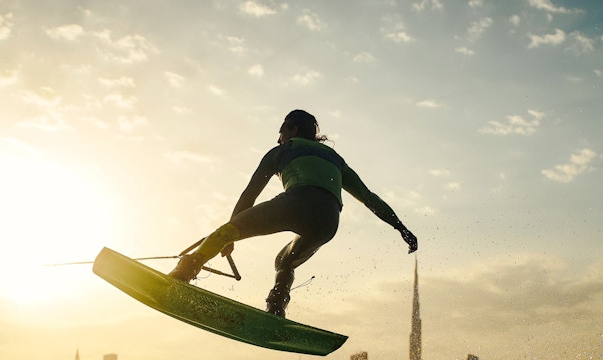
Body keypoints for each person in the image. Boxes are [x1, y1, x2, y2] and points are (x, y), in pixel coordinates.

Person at [169, 109, 419, 318]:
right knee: (284, 262)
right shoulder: (336, 159)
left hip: (296, 202)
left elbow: (250, 194)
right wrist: (401, 228)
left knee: (225, 231)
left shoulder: (283, 150)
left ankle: (183, 273)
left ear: (293, 130)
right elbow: (370, 198)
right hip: (328, 221)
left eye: (281, 132)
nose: (279, 138)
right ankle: (276, 307)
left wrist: (231, 235)